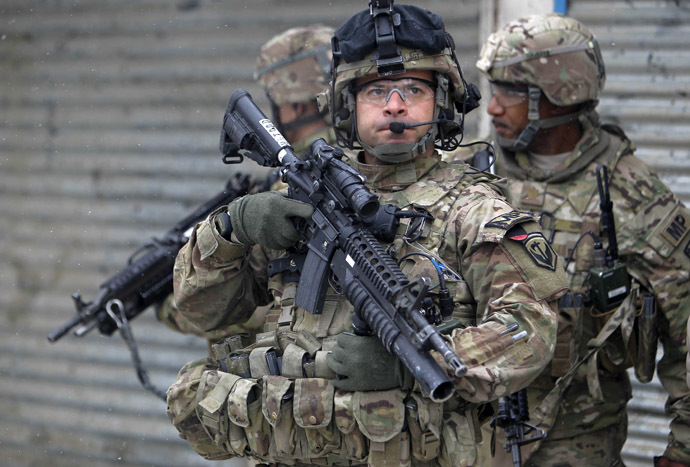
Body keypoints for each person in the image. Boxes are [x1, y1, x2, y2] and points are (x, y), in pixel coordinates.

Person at [166, 3, 565, 466]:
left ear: (440, 104)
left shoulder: (476, 212)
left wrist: (414, 363)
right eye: (376, 91)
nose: (395, 105)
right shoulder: (298, 198)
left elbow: (529, 333)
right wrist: (232, 227)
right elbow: (201, 312)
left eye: (413, 89)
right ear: (347, 105)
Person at [469, 13, 690, 467]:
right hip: (468, 437)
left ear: (559, 94)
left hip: (575, 445)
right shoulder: (475, 174)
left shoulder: (633, 195)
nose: (492, 108)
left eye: (511, 92)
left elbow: (686, 328)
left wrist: (684, 445)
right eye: (495, 90)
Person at [155, 25, 336, 346]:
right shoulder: (362, 163)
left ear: (293, 106)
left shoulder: (297, 189)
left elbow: (234, 311)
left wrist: (169, 308)